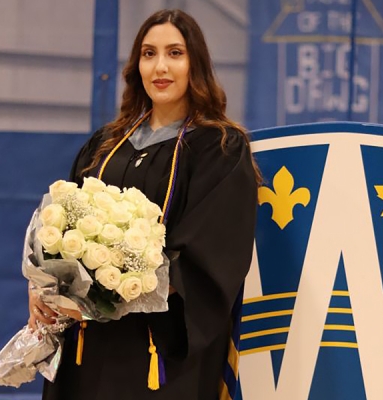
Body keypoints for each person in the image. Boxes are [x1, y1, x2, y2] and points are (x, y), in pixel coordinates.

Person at [28, 8, 260, 400]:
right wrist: (44, 286)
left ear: (195, 64)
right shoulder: (106, 145)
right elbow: (60, 224)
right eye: (149, 54)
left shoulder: (218, 148)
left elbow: (208, 258)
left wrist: (113, 291)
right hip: (88, 342)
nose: (160, 67)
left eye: (175, 53)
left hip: (157, 351)